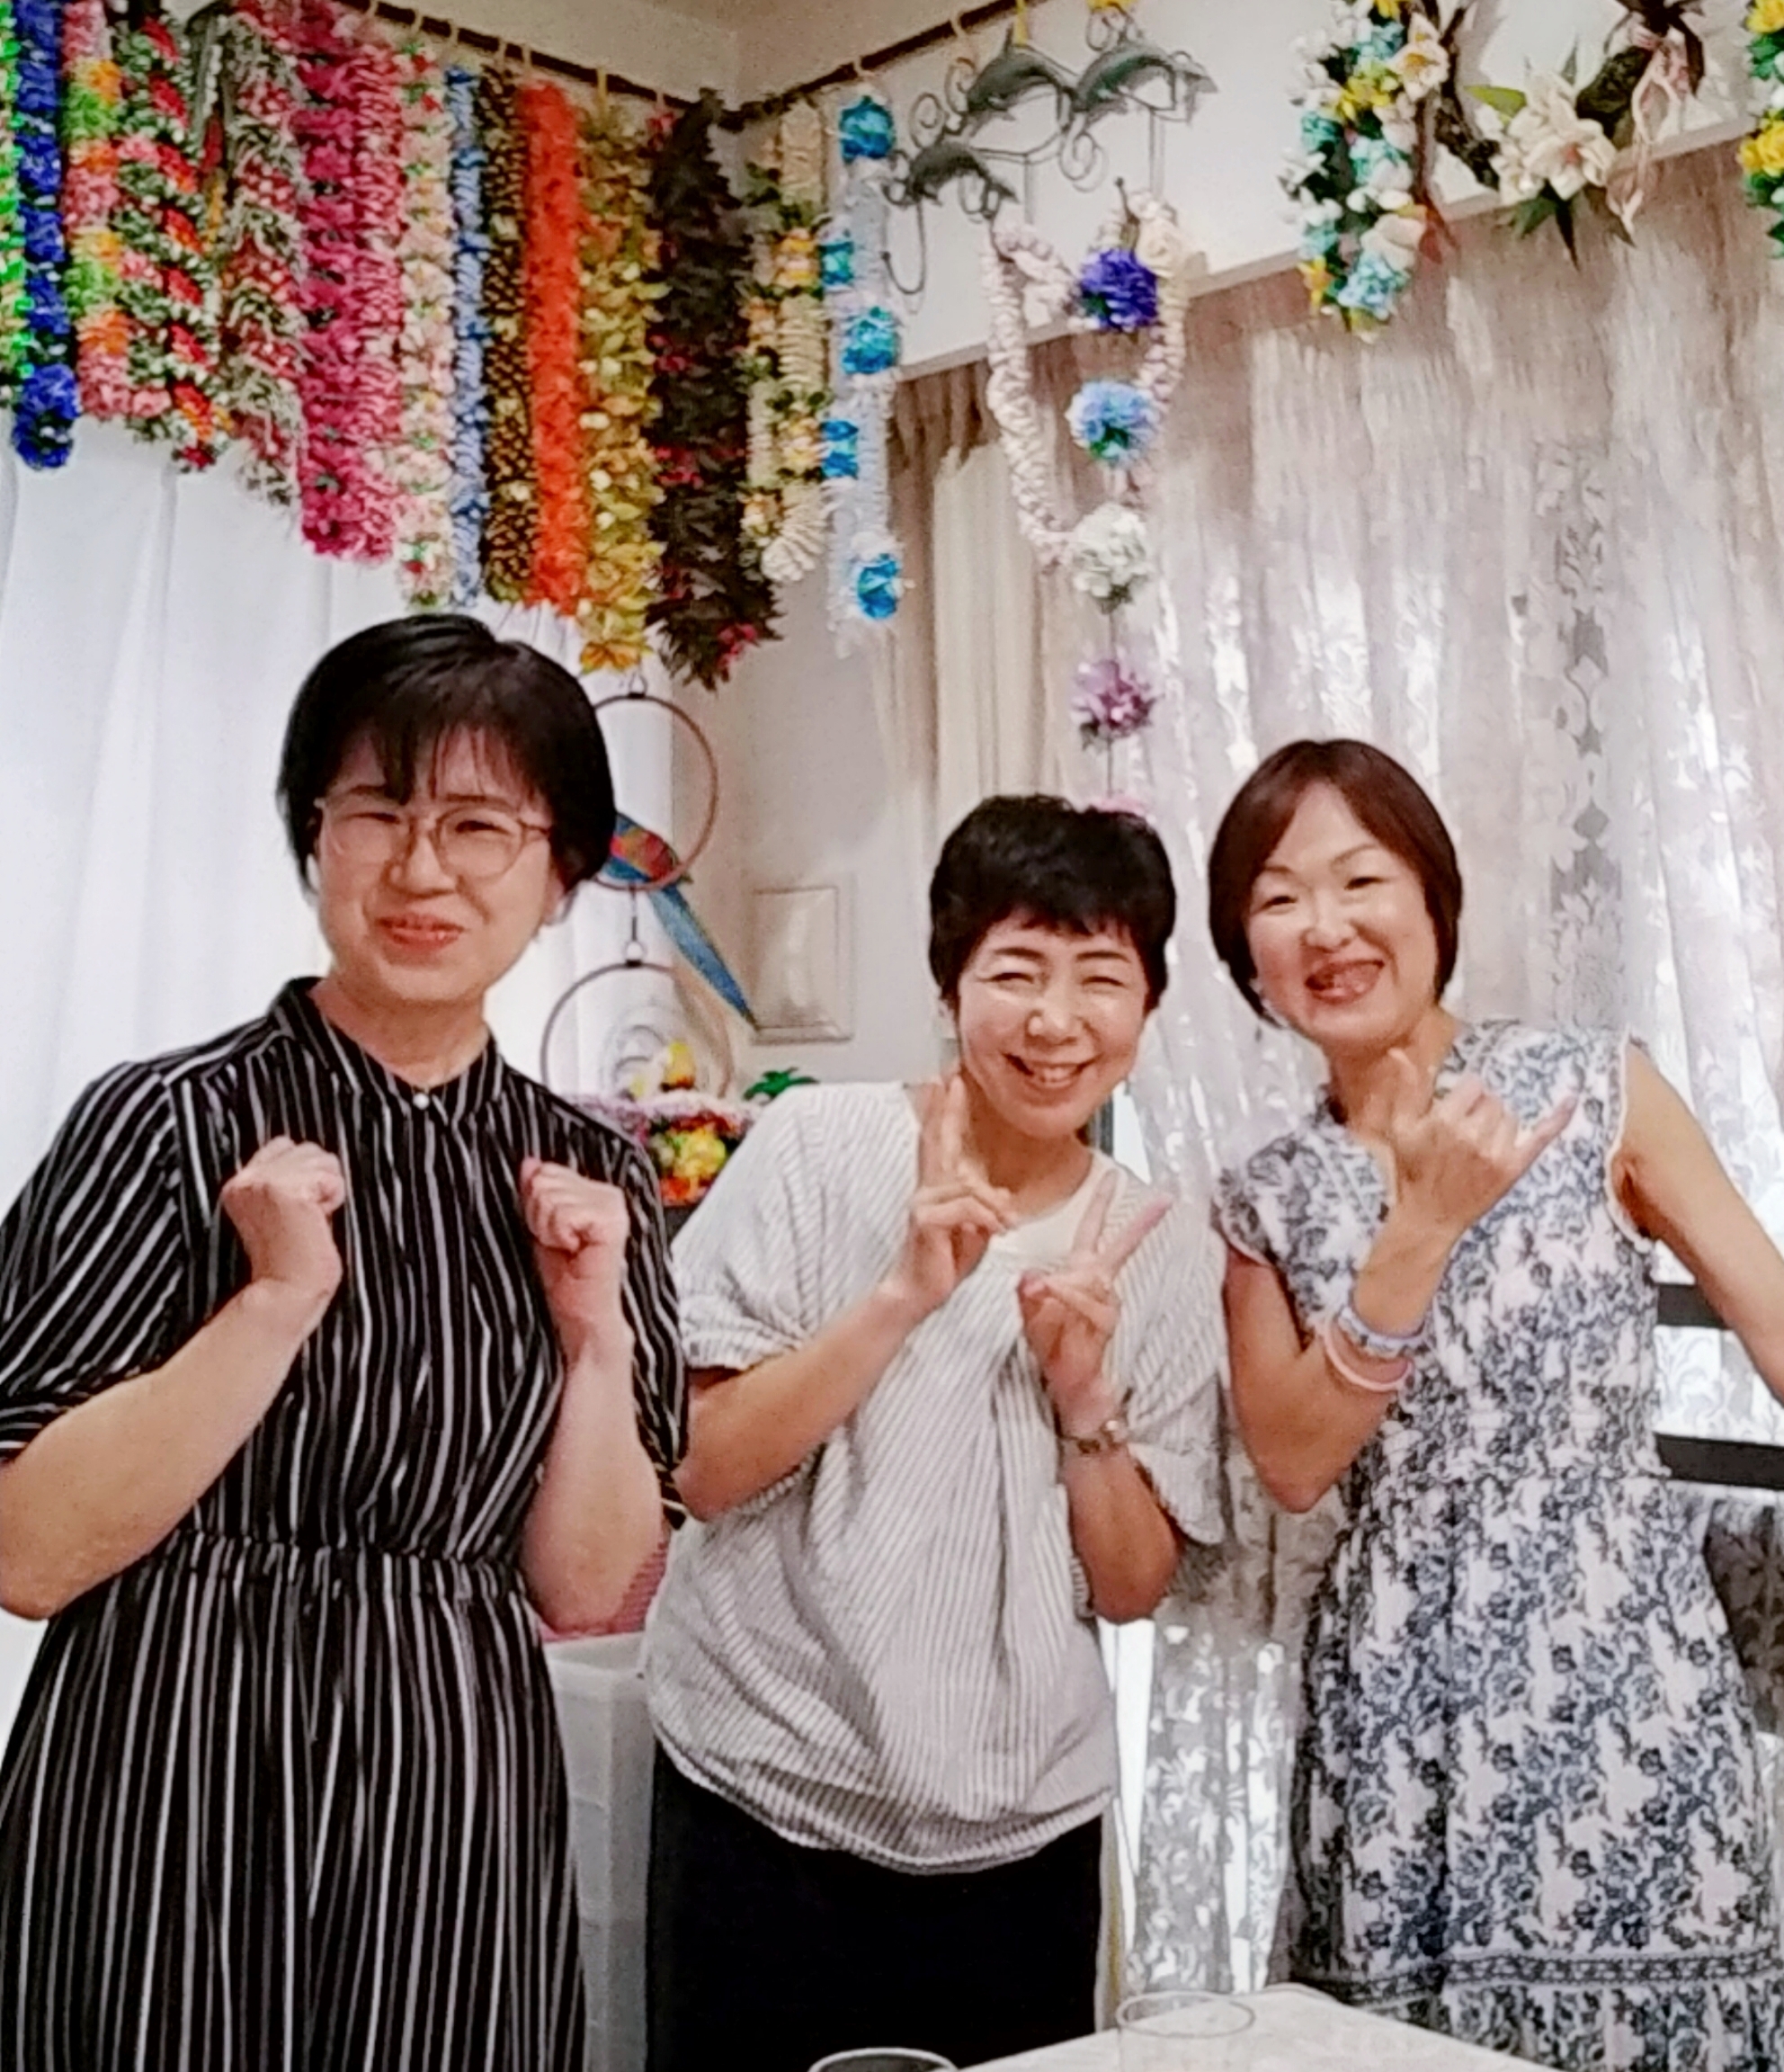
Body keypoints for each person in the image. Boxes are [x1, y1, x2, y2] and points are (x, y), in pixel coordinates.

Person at [1206, 738, 1784, 2072]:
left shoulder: (1590, 1091)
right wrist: (1418, 1233)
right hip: (1393, 1711)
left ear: (1432, 897)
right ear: (1245, 954)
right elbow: (1293, 1461)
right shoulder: (1266, 1195)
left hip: (1620, 1675)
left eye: (1360, 879)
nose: (1326, 927)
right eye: (1278, 899)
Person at [0, 616, 684, 2070]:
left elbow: (587, 1591)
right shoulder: (164, 1123)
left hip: (452, 1796)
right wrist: (271, 1306)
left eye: (479, 826)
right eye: (377, 811)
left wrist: (594, 1341)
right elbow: (29, 1551)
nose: (422, 869)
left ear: (561, 871)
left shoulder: (594, 1178)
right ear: (315, 834)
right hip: (166, 1774)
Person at [644, 796, 1226, 2072]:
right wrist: (901, 1297)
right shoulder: (817, 1147)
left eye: (1100, 978)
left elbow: (1132, 1588)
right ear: (951, 984)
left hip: (1022, 1829)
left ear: (1148, 1006)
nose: (1055, 1021)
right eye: (1016, 971)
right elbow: (705, 1468)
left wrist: (1085, 1404)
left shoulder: (1165, 1246)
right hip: (765, 1791)